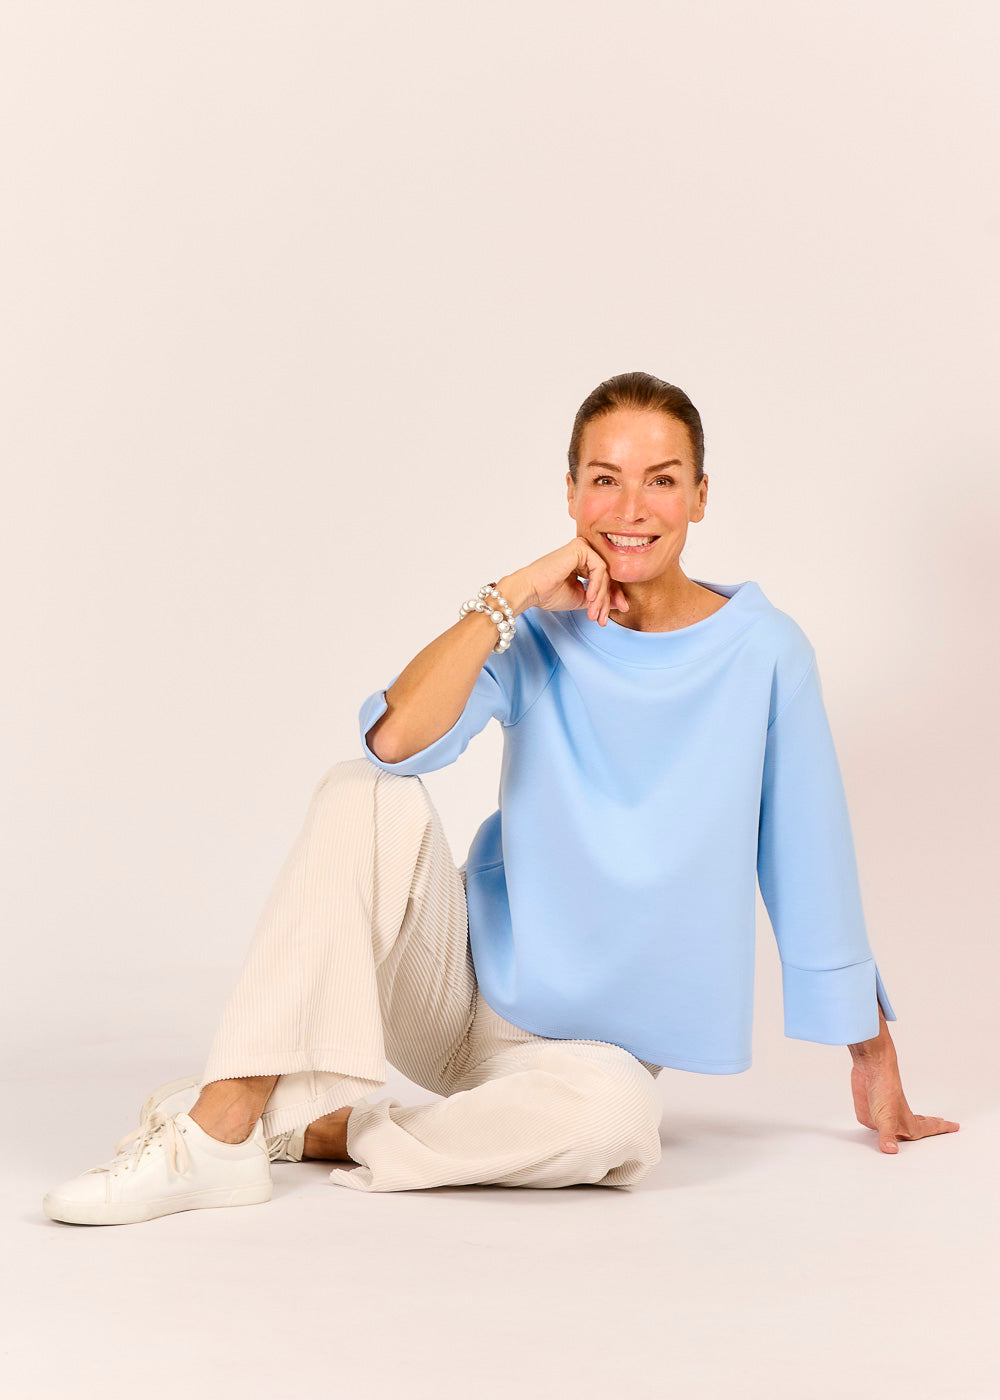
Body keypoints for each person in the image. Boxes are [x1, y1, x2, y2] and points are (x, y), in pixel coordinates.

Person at [43, 371, 959, 1226]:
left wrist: (872, 1054)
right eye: (605, 480)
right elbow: (394, 742)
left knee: (613, 1127)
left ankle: (313, 1128)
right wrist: (511, 596)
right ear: (571, 494)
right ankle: (221, 1126)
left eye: (662, 480)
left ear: (701, 496)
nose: (631, 509)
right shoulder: (539, 633)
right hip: (457, 987)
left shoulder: (764, 651)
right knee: (362, 790)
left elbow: (807, 856)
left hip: (588, 1055)